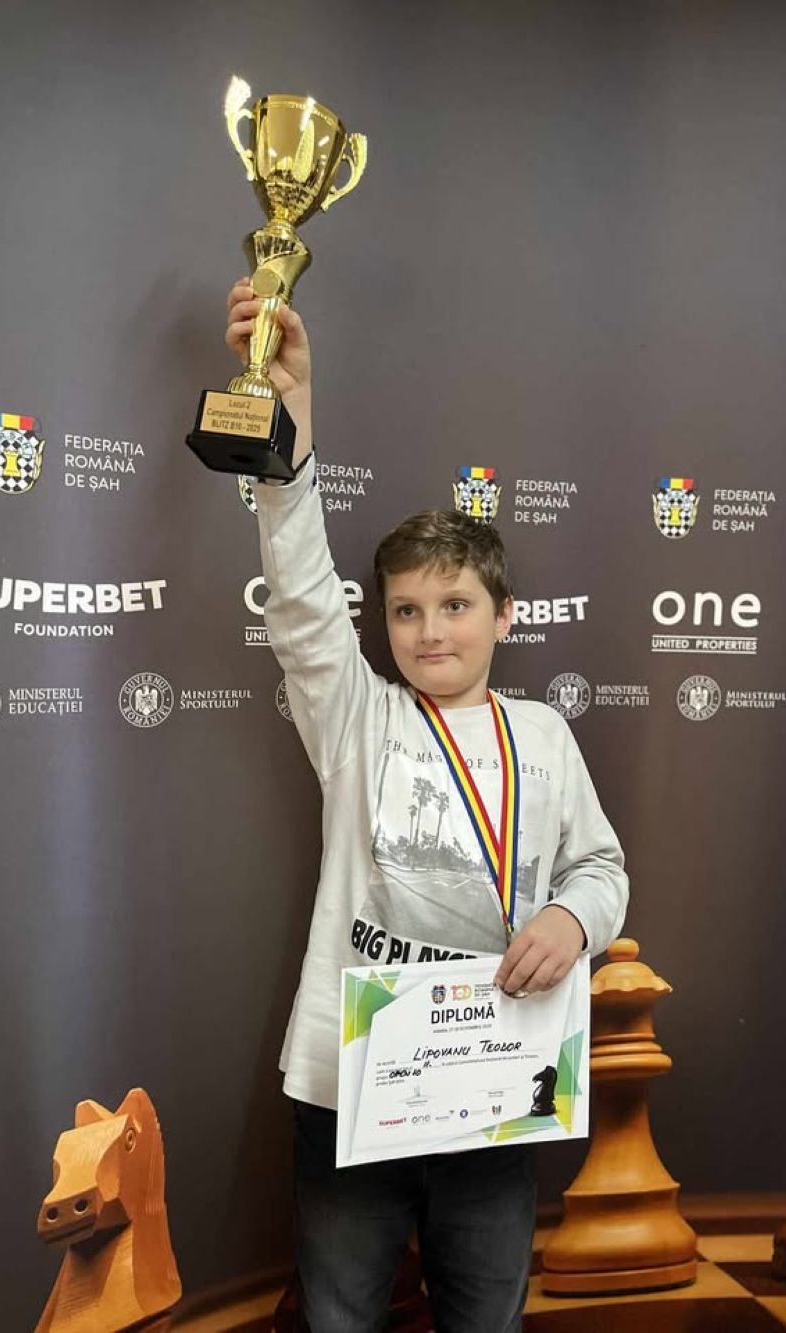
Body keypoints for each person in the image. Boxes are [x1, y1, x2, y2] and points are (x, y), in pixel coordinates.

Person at [225, 279, 630, 1333]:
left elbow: (601, 868)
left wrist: (572, 919)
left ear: (505, 616)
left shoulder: (544, 733)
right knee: (341, 1316)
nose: (430, 630)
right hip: (352, 1079)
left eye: (455, 604)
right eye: (405, 610)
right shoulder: (356, 716)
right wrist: (291, 407)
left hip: (497, 1075)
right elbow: (301, 595)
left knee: (485, 1317)